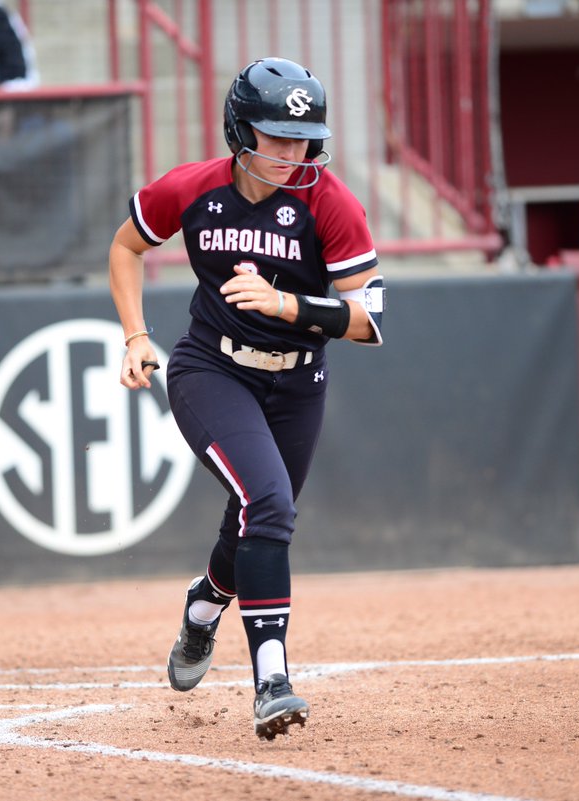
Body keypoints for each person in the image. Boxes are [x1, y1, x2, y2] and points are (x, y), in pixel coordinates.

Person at [108, 57, 386, 741]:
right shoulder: (194, 189)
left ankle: (205, 606)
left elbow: (371, 320)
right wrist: (136, 335)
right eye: (276, 137)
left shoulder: (329, 202)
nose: (292, 154)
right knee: (269, 504)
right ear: (240, 131)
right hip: (212, 368)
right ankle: (272, 680)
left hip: (296, 380)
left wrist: (287, 303)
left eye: (303, 139)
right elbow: (125, 245)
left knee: (257, 514)